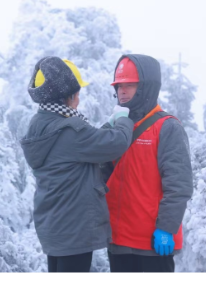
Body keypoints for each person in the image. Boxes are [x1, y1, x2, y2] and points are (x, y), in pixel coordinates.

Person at [21, 56, 134, 273]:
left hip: (54, 227)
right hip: (74, 230)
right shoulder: (70, 130)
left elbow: (81, 147)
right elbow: (116, 143)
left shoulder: (40, 124)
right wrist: (122, 120)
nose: (79, 100)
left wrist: (106, 127)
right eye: (78, 93)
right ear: (68, 96)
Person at [105, 55, 194, 274]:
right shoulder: (116, 127)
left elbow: (179, 185)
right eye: (119, 86)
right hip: (118, 242)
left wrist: (166, 228)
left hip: (153, 244)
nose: (122, 91)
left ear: (146, 87)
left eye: (130, 85)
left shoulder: (167, 127)